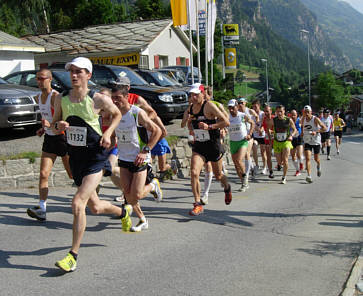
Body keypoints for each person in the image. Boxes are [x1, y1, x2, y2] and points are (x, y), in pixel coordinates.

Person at [50, 57, 126, 272]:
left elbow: (117, 114)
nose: (74, 75)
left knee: (77, 204)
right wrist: (59, 125)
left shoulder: (98, 99)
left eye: (79, 71)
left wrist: (109, 133)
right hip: (76, 158)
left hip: (96, 157)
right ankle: (122, 212)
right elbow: (54, 126)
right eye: (72, 71)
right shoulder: (61, 99)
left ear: (88, 75)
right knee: (95, 207)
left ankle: (72, 255)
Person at [111, 83, 162, 232]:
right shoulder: (115, 114)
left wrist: (145, 151)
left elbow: (157, 131)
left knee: (137, 194)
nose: (115, 101)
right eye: (112, 98)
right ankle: (142, 220)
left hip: (140, 158)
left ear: (127, 97)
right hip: (124, 158)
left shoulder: (136, 112)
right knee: (128, 195)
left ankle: (153, 185)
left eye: (118, 98)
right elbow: (115, 134)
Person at [26, 69, 73, 221]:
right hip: (50, 138)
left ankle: (91, 190)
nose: (39, 81)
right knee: (43, 174)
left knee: (72, 175)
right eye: (37, 79)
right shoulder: (38, 96)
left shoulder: (56, 97)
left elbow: (65, 120)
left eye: (42, 78)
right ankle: (42, 208)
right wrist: (43, 128)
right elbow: (47, 118)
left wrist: (51, 124)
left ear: (50, 79)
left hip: (62, 138)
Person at [187, 83, 232, 216]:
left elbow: (226, 122)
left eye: (196, 94)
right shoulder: (190, 108)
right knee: (194, 172)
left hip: (213, 145)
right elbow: (189, 124)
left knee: (218, 176)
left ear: (202, 94)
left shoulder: (209, 106)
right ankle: (197, 203)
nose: (193, 97)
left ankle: (227, 187)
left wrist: (209, 127)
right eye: (191, 95)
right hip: (200, 146)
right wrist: (192, 129)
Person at [227, 99, 255, 191]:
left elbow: (253, 123)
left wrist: (249, 134)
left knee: (239, 160)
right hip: (233, 142)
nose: (231, 110)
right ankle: (243, 182)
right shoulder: (228, 117)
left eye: (233, 108)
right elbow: (223, 125)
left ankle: (245, 178)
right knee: (236, 165)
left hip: (242, 141)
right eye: (229, 108)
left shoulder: (242, 116)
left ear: (237, 107)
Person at [267, 105, 297, 184]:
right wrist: (270, 134)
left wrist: (291, 136)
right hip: (277, 142)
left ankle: (284, 177)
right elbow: (269, 128)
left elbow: (295, 130)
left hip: (286, 141)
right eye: (278, 111)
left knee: (285, 159)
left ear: (284, 111)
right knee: (279, 162)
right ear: (276, 112)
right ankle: (281, 164)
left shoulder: (288, 120)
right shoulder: (273, 120)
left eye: (281, 111)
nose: (279, 113)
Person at [301, 105, 327, 183]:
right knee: (308, 158)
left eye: (308, 112)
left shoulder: (315, 119)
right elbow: (302, 127)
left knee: (316, 159)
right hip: (307, 141)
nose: (307, 114)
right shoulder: (303, 119)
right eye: (305, 112)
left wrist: (316, 132)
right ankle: (309, 176)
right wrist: (302, 133)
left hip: (316, 141)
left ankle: (318, 165)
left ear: (311, 112)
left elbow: (324, 128)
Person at [237, 97, 258, 180]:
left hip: (249, 134)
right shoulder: (237, 112)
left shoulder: (249, 110)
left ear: (245, 103)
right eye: (239, 103)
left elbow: (256, 117)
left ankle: (247, 174)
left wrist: (255, 125)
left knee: (247, 154)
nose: (240, 104)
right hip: (241, 134)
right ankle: (252, 167)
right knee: (246, 155)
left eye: (242, 102)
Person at [251, 100, 267, 175]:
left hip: (262, 135)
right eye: (253, 107)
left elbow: (264, 124)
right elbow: (252, 124)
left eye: (256, 106)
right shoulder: (252, 115)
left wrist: (261, 130)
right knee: (254, 147)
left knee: (263, 152)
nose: (254, 108)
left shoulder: (262, 114)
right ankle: (257, 165)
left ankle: (264, 167)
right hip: (255, 135)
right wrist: (257, 129)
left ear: (259, 106)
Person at [262, 104, 275, 178]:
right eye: (265, 111)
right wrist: (261, 130)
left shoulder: (275, 119)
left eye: (267, 111)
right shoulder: (264, 119)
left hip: (275, 139)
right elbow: (262, 127)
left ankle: (280, 164)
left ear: (271, 111)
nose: (266, 113)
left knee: (278, 156)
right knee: (268, 156)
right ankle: (271, 171)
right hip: (267, 139)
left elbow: (279, 130)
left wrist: (272, 131)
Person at [290, 109, 304, 176]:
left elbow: (302, 124)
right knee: (293, 155)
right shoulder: (289, 121)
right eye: (292, 115)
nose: (293, 116)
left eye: (294, 115)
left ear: (297, 115)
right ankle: (297, 170)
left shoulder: (299, 120)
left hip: (299, 138)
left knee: (299, 154)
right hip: (292, 139)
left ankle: (301, 163)